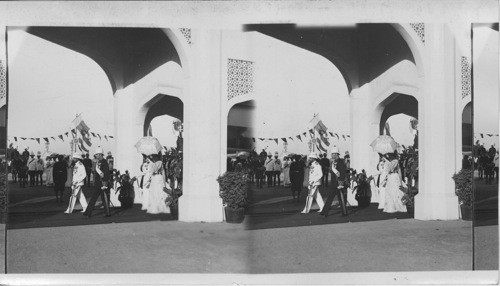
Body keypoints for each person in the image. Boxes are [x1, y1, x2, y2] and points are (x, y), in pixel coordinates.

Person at [83, 147, 111, 218]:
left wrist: (105, 182)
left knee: (104, 199)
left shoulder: (104, 162)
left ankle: (107, 213)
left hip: (102, 183)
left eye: (97, 154)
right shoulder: (97, 162)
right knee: (93, 198)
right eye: (96, 155)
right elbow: (94, 172)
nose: (95, 156)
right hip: (97, 183)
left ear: (100, 154)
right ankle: (87, 212)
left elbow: (106, 173)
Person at [320, 146, 347, 217]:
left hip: (339, 183)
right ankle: (324, 212)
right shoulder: (333, 162)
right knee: (330, 198)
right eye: (332, 154)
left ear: (337, 154)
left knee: (341, 199)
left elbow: (342, 172)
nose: (332, 155)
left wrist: (341, 182)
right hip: (333, 183)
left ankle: (344, 212)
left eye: (333, 154)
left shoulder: (341, 162)